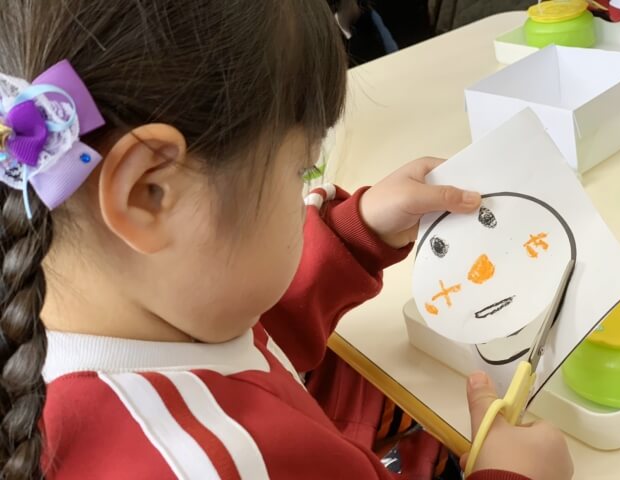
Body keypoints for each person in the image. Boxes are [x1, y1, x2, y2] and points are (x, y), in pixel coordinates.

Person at [0, 1, 573, 479]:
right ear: (149, 193)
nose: (307, 191)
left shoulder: (60, 301)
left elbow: (239, 342)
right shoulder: (238, 462)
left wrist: (355, 234)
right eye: (302, 171)